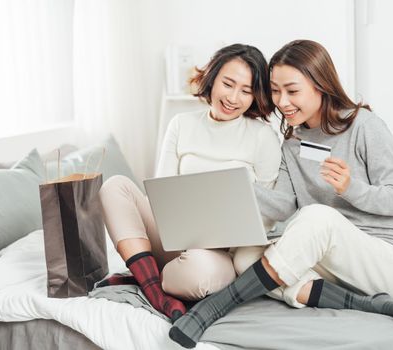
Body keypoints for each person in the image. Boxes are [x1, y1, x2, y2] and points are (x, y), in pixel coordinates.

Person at [169, 39, 393, 348]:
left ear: (320, 86)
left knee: (317, 217)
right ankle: (362, 303)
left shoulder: (364, 125)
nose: (282, 102)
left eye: (292, 91)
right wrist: (235, 188)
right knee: (246, 257)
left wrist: (351, 189)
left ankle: (215, 307)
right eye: (275, 90)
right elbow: (283, 205)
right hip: (334, 263)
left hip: (384, 260)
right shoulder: (292, 144)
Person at [98, 44, 281, 322]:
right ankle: (155, 292)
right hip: (170, 238)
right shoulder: (181, 124)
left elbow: (267, 214)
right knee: (115, 186)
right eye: (228, 84)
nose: (233, 97)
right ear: (212, 78)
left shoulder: (262, 136)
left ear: (256, 96)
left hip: (218, 253)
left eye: (246, 91)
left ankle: (143, 274)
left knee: (200, 275)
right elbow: (159, 193)